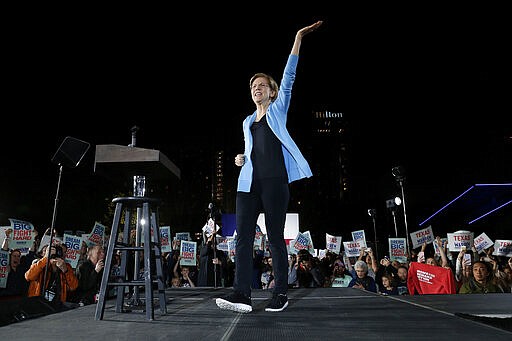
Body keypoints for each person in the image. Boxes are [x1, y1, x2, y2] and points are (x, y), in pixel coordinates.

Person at [215, 20, 323, 313]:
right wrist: (241, 159)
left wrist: (298, 37)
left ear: (272, 92)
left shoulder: (277, 109)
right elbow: (252, 151)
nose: (256, 88)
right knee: (243, 238)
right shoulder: (246, 121)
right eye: (252, 85)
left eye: (262, 84)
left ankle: (281, 294)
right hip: (248, 183)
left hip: (275, 181)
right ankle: (242, 294)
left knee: (275, 236)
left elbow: (289, 75)